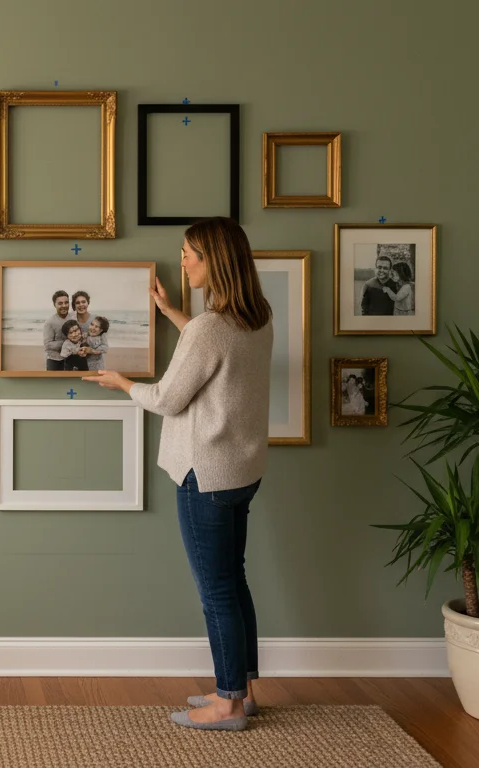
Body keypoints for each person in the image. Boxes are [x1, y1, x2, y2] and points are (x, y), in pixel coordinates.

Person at [83, 216, 273, 732]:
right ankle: (244, 689)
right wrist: (173, 313)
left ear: (217, 260)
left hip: (204, 477)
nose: (183, 260)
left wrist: (123, 383)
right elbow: (212, 351)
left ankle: (229, 703)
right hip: (240, 471)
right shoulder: (254, 318)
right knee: (234, 581)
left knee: (216, 592)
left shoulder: (212, 328)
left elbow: (167, 398)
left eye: (191, 253)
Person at [41, 291, 73, 371]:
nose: (64, 306)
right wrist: (67, 342)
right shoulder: (50, 322)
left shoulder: (73, 318)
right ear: (54, 305)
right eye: (60, 303)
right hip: (54, 360)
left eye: (66, 303)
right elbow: (47, 345)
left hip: (71, 359)